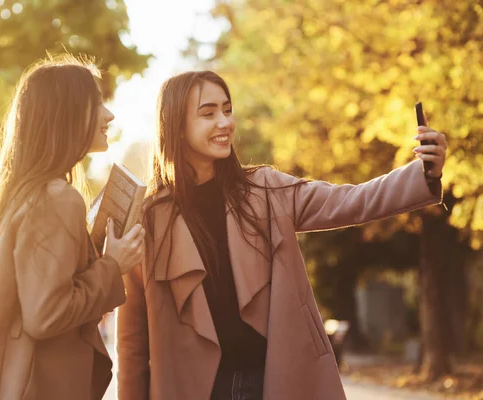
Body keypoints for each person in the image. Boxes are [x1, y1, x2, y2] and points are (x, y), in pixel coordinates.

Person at [116, 70, 447, 400]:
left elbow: (352, 200)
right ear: (175, 124)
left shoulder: (266, 190)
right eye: (208, 113)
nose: (224, 122)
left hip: (273, 383)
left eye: (227, 110)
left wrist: (423, 173)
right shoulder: (149, 220)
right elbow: (132, 343)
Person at [0, 54, 145, 400]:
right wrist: (113, 265)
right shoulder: (57, 198)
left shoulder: (16, 195)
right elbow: (45, 314)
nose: (108, 115)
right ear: (66, 114)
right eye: (96, 104)